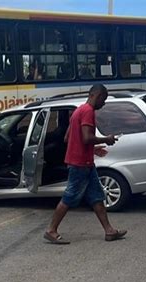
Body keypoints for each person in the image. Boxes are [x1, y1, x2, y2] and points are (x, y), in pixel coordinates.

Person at [44, 84, 127, 244]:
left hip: (84, 162)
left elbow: (68, 138)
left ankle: (109, 231)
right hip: (80, 164)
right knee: (70, 196)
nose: (103, 104)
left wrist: (93, 149)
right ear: (97, 95)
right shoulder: (88, 111)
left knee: (97, 196)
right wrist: (106, 139)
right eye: (104, 99)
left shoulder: (78, 111)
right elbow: (86, 138)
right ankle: (51, 230)